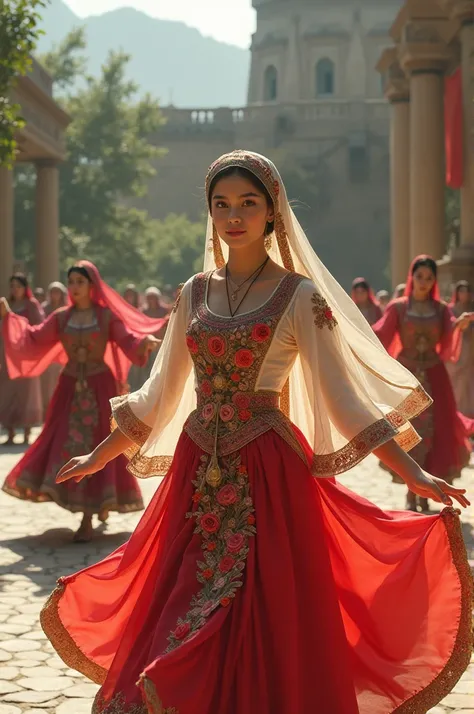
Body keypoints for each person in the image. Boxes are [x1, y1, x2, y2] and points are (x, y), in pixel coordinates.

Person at [40, 153, 471, 714]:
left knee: (260, 607)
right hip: (197, 476)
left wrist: (413, 472)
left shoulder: (298, 297)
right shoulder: (193, 293)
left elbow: (345, 403)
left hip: (269, 476)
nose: (233, 215)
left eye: (248, 203)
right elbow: (158, 393)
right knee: (185, 599)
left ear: (272, 212)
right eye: (221, 204)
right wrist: (101, 454)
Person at [0, 261, 166, 542]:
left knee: (96, 445)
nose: (74, 287)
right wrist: (10, 318)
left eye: (79, 282)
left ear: (92, 286)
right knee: (62, 442)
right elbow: (34, 337)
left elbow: (127, 339)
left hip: (99, 388)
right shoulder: (61, 318)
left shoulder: (104, 317)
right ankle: (86, 508)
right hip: (68, 390)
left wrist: (143, 342)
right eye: (71, 282)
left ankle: (90, 515)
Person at [373, 256, 474, 511]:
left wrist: (458, 327)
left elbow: (448, 339)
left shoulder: (440, 310)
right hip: (405, 378)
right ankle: (410, 489)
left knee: (435, 432)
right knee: (407, 432)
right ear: (412, 277)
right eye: (420, 277)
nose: (424, 283)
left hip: (434, 377)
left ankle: (425, 491)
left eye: (429, 278)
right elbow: (380, 333)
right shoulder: (398, 307)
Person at [0, 273, 44, 445]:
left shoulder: (31, 305)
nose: (14, 289)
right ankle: (10, 433)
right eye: (12, 286)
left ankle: (26, 433)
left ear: (25, 288)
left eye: (18, 286)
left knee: (27, 394)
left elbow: (38, 326)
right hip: (8, 356)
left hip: (25, 356)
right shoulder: (6, 305)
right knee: (7, 393)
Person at [127, 288, 170, 391]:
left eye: (153, 297)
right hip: (146, 342)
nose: (151, 300)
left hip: (159, 343)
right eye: (149, 298)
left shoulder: (164, 310)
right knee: (144, 364)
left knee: (157, 363)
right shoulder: (143, 311)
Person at [446, 280, 474, 418]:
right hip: (457, 351)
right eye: (461, 291)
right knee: (457, 383)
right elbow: (448, 328)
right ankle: (458, 414)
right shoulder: (450, 309)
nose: (465, 294)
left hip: (471, 351)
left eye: (467, 291)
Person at [40, 282, 69, 413]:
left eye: (57, 292)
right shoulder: (44, 309)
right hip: (48, 349)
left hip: (63, 349)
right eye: (53, 292)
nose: (55, 295)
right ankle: (47, 408)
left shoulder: (67, 309)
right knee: (47, 380)